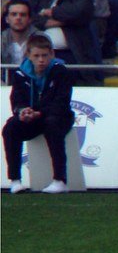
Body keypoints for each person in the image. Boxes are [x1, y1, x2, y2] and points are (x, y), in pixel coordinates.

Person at [3, 34, 75, 195]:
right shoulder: (21, 74)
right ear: (28, 55)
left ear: (52, 54)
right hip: (34, 117)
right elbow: (16, 99)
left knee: (52, 125)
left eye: (44, 55)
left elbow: (61, 102)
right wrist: (23, 111)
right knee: (10, 128)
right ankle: (15, 180)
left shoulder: (61, 72)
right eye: (36, 56)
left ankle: (60, 180)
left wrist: (39, 112)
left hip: (59, 116)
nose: (41, 60)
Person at [27, 0, 101, 85]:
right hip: (39, 55)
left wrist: (50, 12)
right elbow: (30, 19)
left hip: (72, 54)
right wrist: (63, 21)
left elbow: (79, 13)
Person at [1, 0, 44, 69]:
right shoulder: (1, 38)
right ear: (7, 19)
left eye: (23, 15)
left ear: (30, 19)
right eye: (14, 14)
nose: (18, 18)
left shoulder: (41, 38)